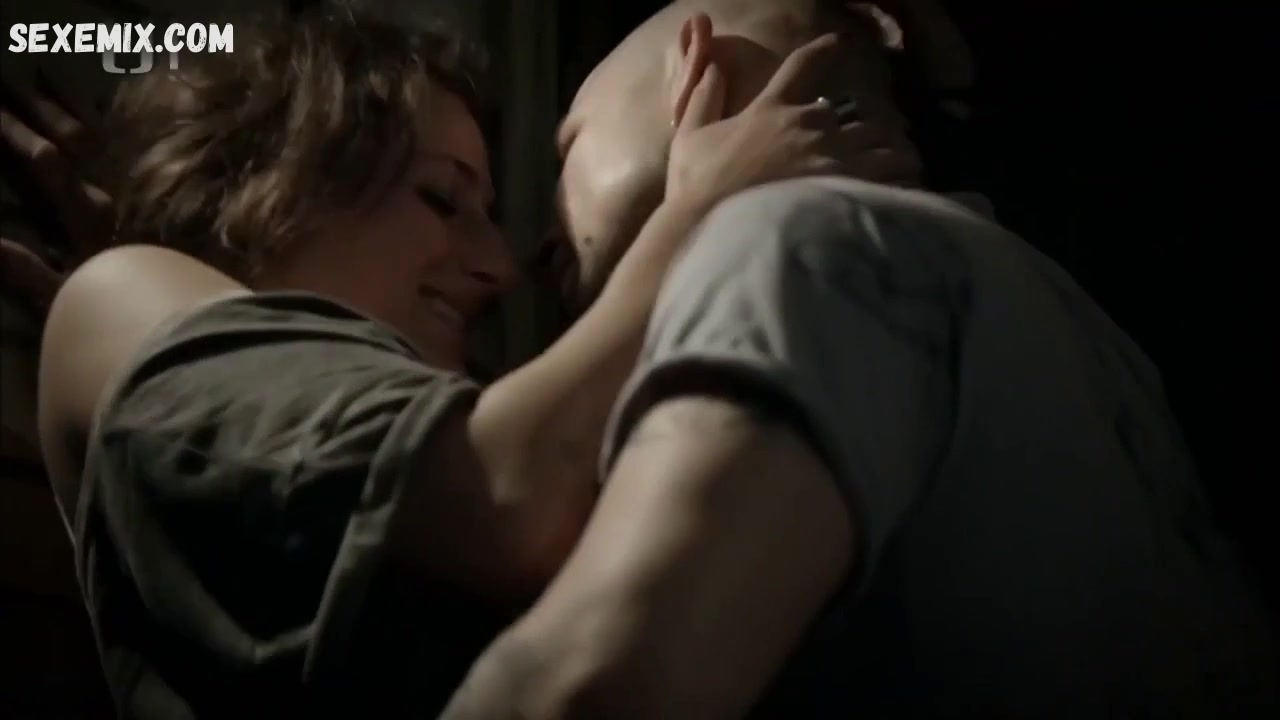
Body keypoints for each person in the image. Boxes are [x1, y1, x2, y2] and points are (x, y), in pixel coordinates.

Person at [2, 3, 893, 717]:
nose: (501, 268)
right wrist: (701, 213)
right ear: (268, 186)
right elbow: (503, 491)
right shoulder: (118, 292)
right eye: (442, 197)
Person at [439, 1, 1280, 718]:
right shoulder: (1072, 334)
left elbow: (585, 685)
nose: (533, 244)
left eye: (566, 150)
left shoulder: (803, 243)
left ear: (698, 67)